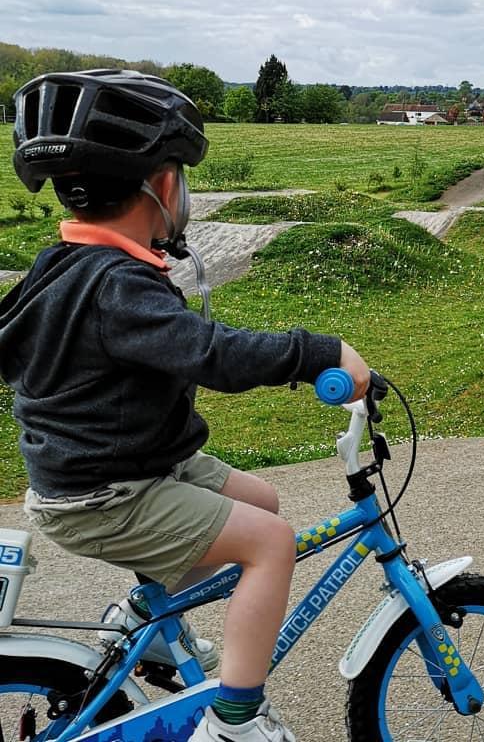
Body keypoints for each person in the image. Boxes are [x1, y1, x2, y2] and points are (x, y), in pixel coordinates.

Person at [0, 69, 370, 742]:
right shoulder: (120, 288)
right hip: (105, 495)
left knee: (262, 503)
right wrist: (318, 352)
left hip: (124, 467)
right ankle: (236, 721)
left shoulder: (64, 265)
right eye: (182, 176)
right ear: (163, 185)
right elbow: (214, 355)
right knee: (273, 546)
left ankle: (151, 614)